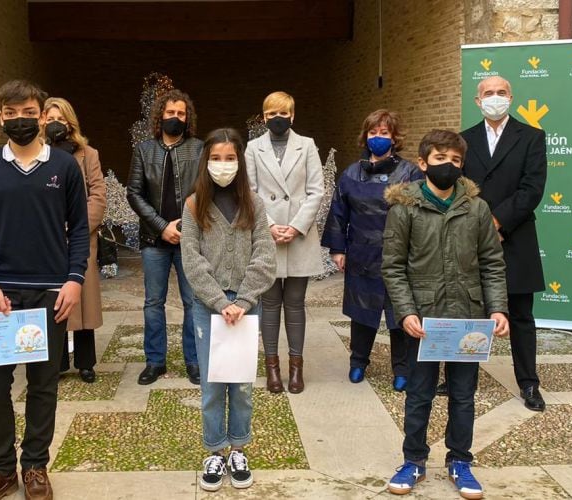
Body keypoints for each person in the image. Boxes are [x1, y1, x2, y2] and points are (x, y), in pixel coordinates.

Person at [0, 80, 89, 500]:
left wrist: (74, 280)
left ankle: (35, 466)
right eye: (12, 113)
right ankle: (0, 470)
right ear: (1, 116)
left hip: (51, 293)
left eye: (28, 112)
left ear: (41, 114)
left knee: (43, 383)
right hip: (2, 295)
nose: (20, 120)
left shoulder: (64, 167)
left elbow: (79, 231)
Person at [381, 130, 509, 500]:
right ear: (423, 164)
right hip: (423, 320)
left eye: (455, 160)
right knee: (419, 393)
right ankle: (413, 460)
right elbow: (393, 267)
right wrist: (406, 312)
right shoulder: (405, 209)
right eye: (440, 159)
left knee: (463, 394)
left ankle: (460, 461)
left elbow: (492, 263)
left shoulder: (477, 209)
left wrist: (497, 307)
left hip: (467, 316)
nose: (448, 166)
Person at [181, 128, 275, 492]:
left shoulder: (254, 203)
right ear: (206, 162)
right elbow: (191, 260)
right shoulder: (193, 205)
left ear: (240, 161)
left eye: (230, 158)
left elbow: (265, 255)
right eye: (216, 158)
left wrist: (244, 300)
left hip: (247, 307)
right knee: (212, 383)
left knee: (242, 384)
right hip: (209, 308)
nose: (223, 165)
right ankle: (215, 449)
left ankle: (238, 447)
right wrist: (221, 303)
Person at [461, 75, 548, 412]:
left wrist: (497, 221)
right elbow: (461, 187)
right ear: (477, 101)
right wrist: (482, 225)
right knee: (471, 310)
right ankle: (461, 376)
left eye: (500, 92)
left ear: (511, 97)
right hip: (474, 238)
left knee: (521, 315)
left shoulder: (531, 137)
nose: (494, 98)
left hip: (517, 237)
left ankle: (528, 383)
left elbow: (532, 188)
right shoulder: (465, 140)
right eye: (488, 93)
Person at [322, 110, 423, 391]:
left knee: (399, 312)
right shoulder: (351, 173)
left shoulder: (409, 172)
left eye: (384, 133)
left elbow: (419, 214)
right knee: (362, 312)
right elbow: (338, 211)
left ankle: (402, 368)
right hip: (361, 252)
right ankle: (358, 362)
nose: (378, 138)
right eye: (373, 133)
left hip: (398, 254)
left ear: (395, 138)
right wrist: (338, 248)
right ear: (366, 137)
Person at [244, 91, 324, 394]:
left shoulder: (307, 146)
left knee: (295, 305)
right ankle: (272, 368)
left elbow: (316, 190)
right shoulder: (253, 148)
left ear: (293, 115)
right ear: (264, 117)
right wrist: (270, 226)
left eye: (284, 112)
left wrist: (296, 226)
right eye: (271, 113)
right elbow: (249, 193)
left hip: (298, 236)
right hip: (268, 235)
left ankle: (295, 368)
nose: (278, 118)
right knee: (269, 304)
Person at [126, 89, 205, 385]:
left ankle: (194, 361)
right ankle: (155, 361)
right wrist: (162, 226)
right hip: (153, 240)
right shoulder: (145, 150)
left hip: (190, 238)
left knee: (193, 302)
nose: (176, 118)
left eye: (181, 114)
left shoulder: (199, 148)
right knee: (153, 303)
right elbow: (133, 192)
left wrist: (183, 226)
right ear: (160, 117)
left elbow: (205, 191)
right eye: (170, 113)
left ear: (188, 118)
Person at [43, 97, 106, 384]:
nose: (55, 123)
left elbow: (98, 194)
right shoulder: (37, 153)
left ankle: (85, 362)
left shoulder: (88, 154)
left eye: (60, 118)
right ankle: (56, 362)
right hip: (47, 238)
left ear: (70, 123)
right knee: (52, 299)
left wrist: (79, 227)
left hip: (80, 237)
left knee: (83, 299)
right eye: (50, 117)